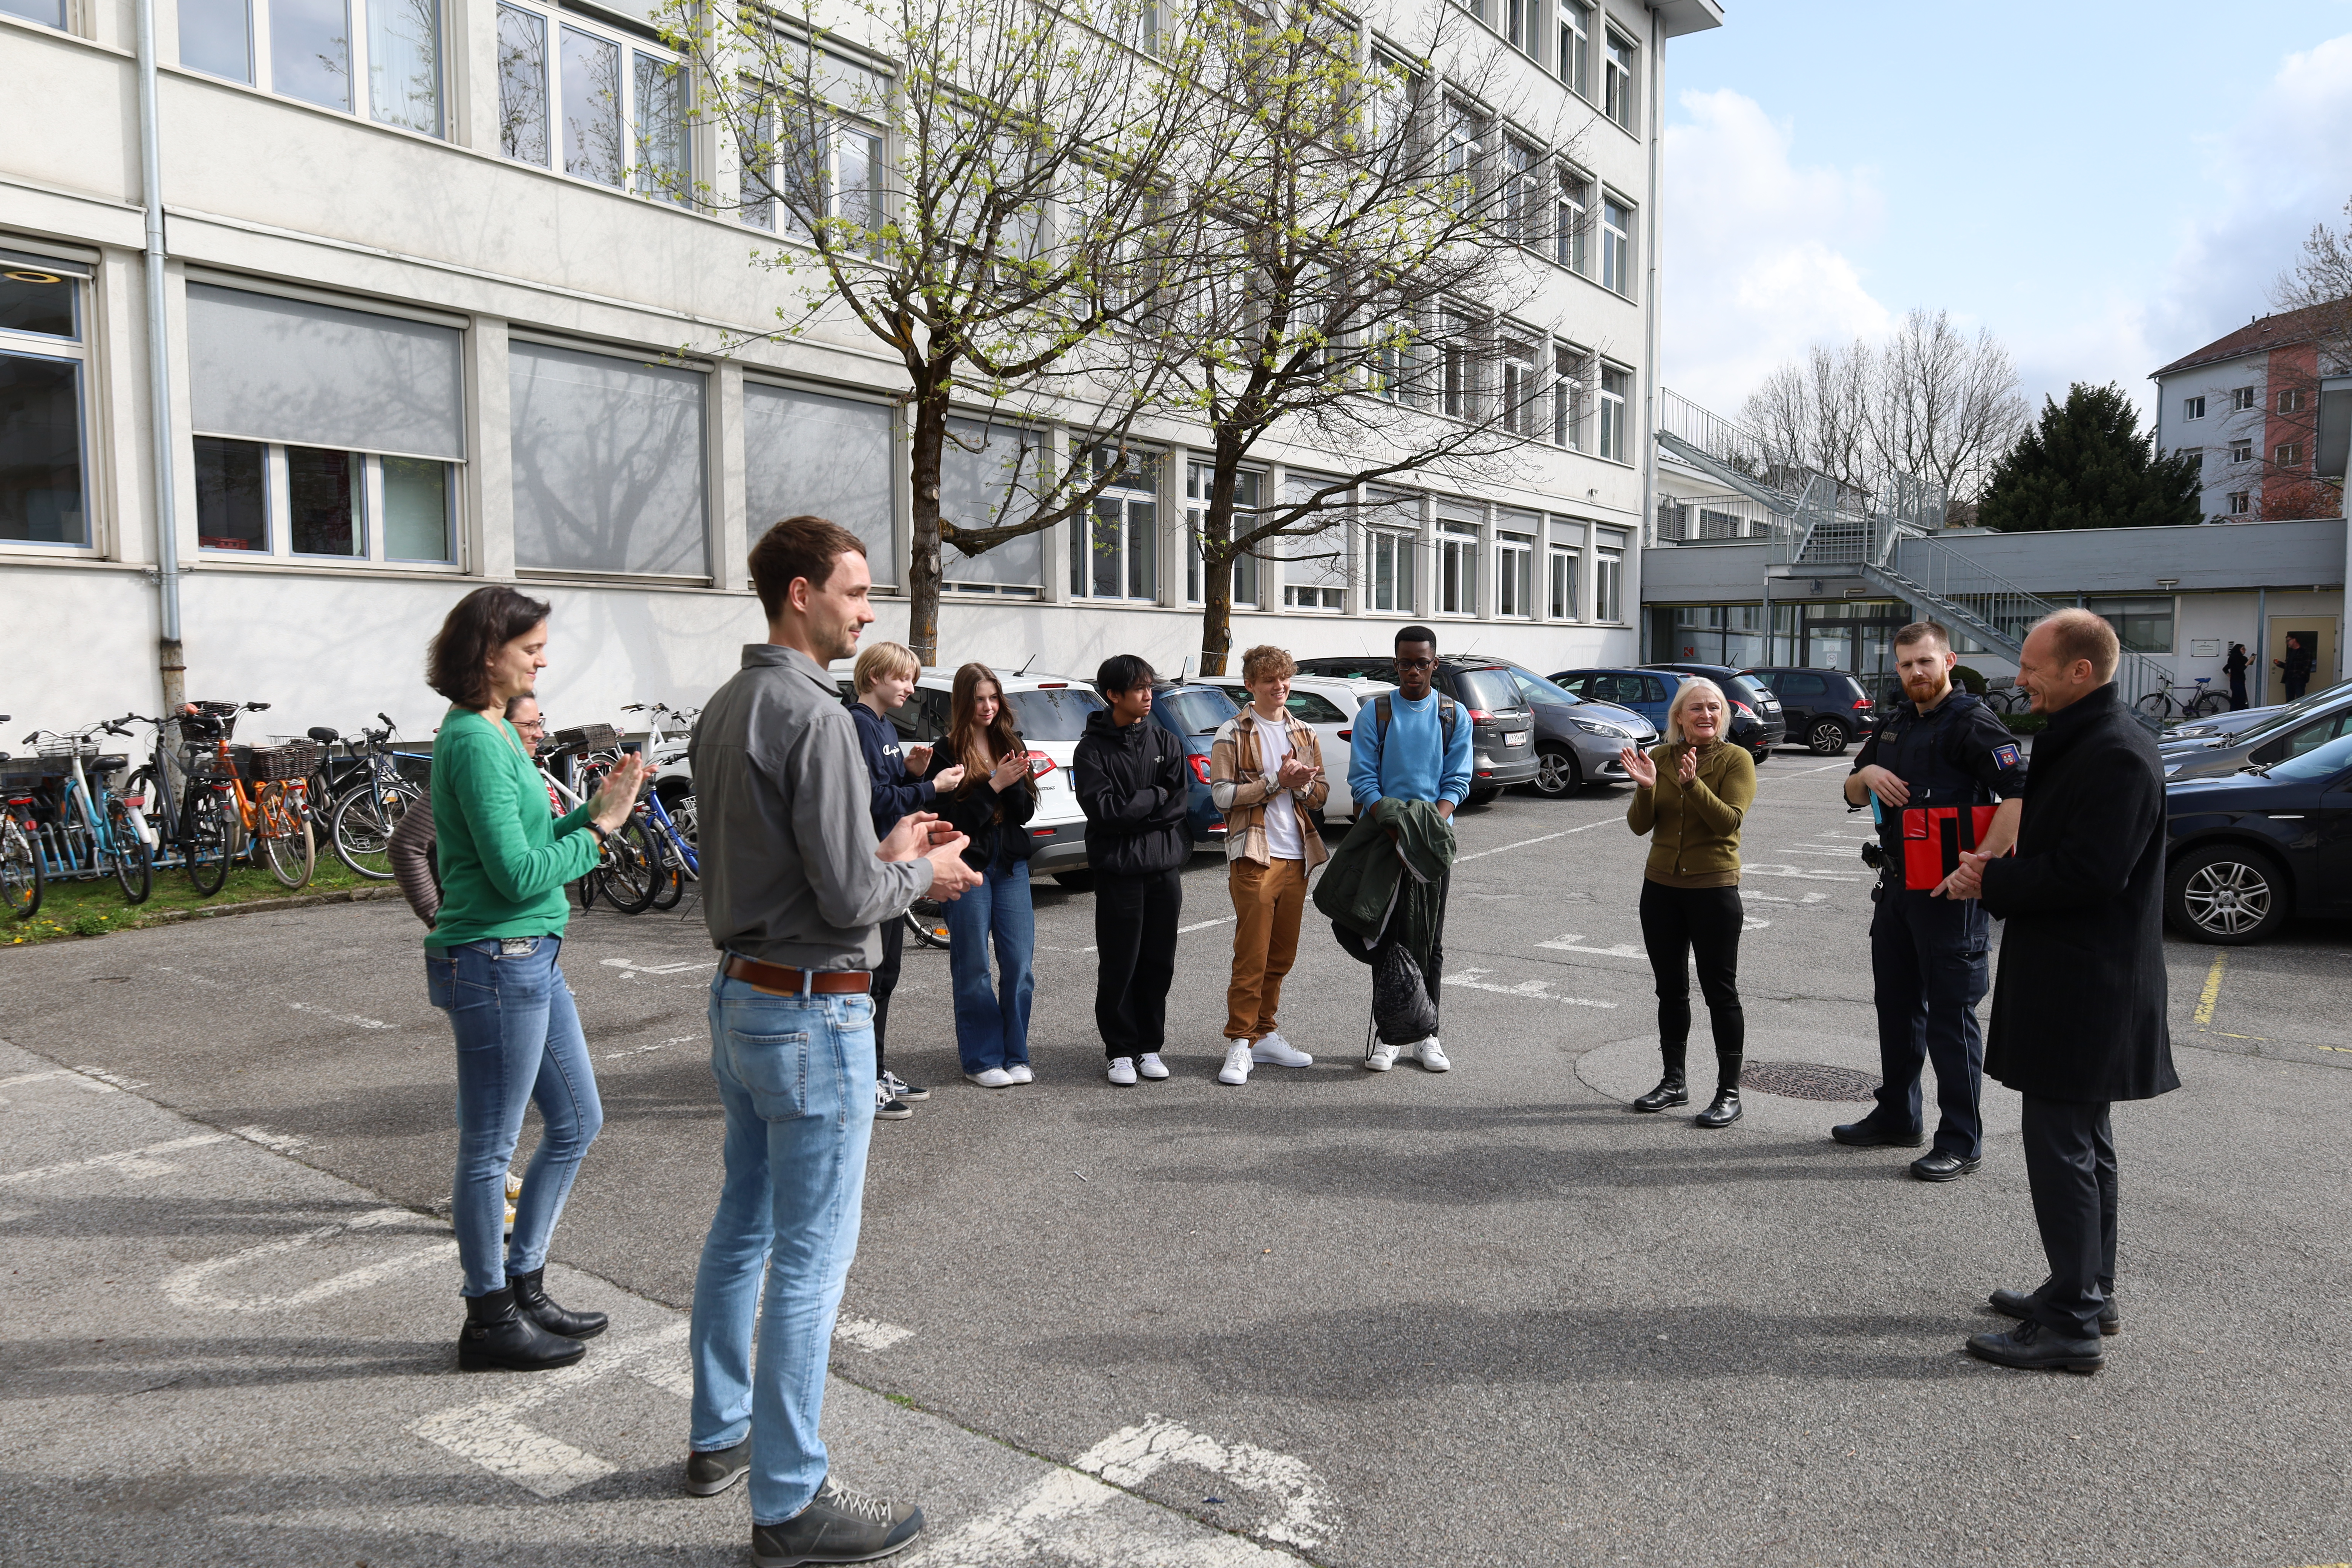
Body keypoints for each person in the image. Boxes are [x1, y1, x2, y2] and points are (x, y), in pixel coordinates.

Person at [682, 515, 981, 1562]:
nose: (869, 612)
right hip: (812, 1008)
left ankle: (720, 1433)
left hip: (746, 995)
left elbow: (806, 862)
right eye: (857, 594)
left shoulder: (730, 704)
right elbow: (853, 892)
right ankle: (789, 1502)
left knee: (743, 1230)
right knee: (810, 1261)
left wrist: (886, 845)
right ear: (802, 593)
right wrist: (923, 873)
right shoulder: (811, 714)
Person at [1939, 608, 2177, 1374]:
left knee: (2063, 1150)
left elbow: (2090, 873)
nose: (2020, 676)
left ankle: (2071, 1323)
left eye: (2034, 665)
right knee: (2086, 1144)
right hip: (2079, 980)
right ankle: (2087, 1290)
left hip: (2086, 988)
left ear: (2081, 671)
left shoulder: (2116, 756)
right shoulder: (2089, 740)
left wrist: (1996, 877)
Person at [421, 587, 649, 1372]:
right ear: (489, 653)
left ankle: (526, 1283)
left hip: (530, 957)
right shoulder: (475, 740)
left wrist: (591, 813)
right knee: (489, 1149)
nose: (544, 658)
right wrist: (604, 833)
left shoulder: (493, 731)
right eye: (532, 648)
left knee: (579, 1120)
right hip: (494, 959)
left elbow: (526, 840)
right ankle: (487, 1317)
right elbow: (517, 874)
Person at [1831, 622, 2027, 1181]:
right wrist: (1865, 771)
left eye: (1925, 662)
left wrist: (1981, 866)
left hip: (1949, 895)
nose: (1915, 673)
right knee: (1896, 1010)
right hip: (1896, 890)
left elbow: (2019, 791)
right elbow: (1850, 791)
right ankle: (1898, 1115)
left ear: (1948, 661)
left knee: (1950, 1019)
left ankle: (1962, 1140)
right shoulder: (1895, 722)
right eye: (1906, 665)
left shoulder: (1970, 722)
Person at [1620, 677, 1756, 1128]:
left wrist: (1694, 784)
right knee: (1670, 988)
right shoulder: (1659, 757)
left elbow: (1727, 823)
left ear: (1724, 715)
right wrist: (1644, 788)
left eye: (1714, 708)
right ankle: (1673, 1081)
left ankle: (1729, 1092)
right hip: (1660, 889)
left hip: (1714, 890)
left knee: (1721, 991)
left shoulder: (1737, 759)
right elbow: (1640, 827)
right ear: (1679, 716)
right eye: (1696, 708)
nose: (1706, 715)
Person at [1344, 625, 1471, 1073]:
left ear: (1435, 664)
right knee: (1386, 939)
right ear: (1394, 663)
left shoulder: (1454, 714)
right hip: (1383, 841)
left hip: (1431, 845)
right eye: (1405, 662)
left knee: (1431, 941)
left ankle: (1428, 1033)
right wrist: (1396, 827)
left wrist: (1424, 829)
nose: (1413, 670)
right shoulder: (1375, 712)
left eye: (1422, 662)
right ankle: (1390, 1035)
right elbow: (1363, 778)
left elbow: (1458, 781)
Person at [1207, 645, 1329, 1086]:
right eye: (1270, 681)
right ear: (1251, 685)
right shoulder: (1232, 731)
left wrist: (1301, 786)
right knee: (1252, 955)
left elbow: (1321, 796)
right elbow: (1220, 796)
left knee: (1281, 955)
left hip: (1296, 857)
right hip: (1254, 855)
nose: (1280, 687)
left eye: (1285, 679)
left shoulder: (1304, 732)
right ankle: (1240, 1040)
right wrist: (1278, 780)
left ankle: (1265, 1033)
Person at [850, 640, 962, 1119]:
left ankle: (874, 1069)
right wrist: (931, 786)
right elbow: (873, 800)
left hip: (892, 866)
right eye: (903, 678)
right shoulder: (856, 724)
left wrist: (909, 770)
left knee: (886, 975)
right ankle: (861, 1080)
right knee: (869, 979)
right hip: (873, 868)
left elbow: (887, 786)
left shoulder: (882, 725)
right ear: (874, 676)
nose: (910, 688)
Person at [1073, 654, 1190, 1086]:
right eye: (1139, 688)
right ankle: (1120, 1049)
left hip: (1163, 867)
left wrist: (1141, 805)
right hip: (1119, 869)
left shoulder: (1166, 741)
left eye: (1150, 686)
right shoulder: (1091, 749)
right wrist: (1153, 797)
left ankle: (1149, 1045)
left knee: (1159, 961)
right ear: (1113, 695)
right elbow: (1104, 812)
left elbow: (1179, 803)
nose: (1148, 695)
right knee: (1120, 960)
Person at [925, 662, 1040, 1088]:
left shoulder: (1010, 741)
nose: (988, 706)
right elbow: (950, 821)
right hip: (965, 865)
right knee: (973, 965)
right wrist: (993, 784)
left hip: (1011, 865)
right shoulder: (945, 751)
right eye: (979, 699)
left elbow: (1025, 813)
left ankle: (1016, 1054)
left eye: (994, 697)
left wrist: (1012, 781)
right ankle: (981, 1058)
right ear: (963, 701)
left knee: (1019, 965)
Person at [2276, 634, 2313, 701]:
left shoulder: (2305, 652)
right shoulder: (2291, 653)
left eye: (2288, 641)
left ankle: (2300, 711)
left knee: (2300, 699)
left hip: (2299, 680)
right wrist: (2280, 664)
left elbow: (2307, 666)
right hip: (2289, 679)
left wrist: (2300, 676)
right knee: (2289, 700)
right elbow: (2290, 667)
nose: (2287, 643)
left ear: (2294, 640)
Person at [2223, 641, 2250, 710]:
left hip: (2237, 681)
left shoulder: (2240, 658)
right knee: (2241, 699)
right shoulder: (2235, 658)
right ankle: (2240, 714)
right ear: (2238, 650)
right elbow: (2241, 669)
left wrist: (2230, 676)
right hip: (2237, 682)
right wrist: (2249, 662)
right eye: (2243, 649)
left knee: (2235, 700)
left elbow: (2225, 669)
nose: (2245, 650)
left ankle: (2233, 713)